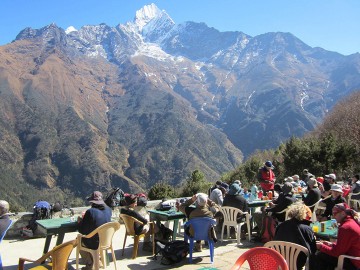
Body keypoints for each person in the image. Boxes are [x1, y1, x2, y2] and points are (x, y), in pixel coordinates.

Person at [310, 203, 360, 270]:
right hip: (354, 258)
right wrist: (331, 244)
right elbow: (345, 246)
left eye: (335, 214)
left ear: (343, 213)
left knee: (318, 256)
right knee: (324, 256)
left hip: (353, 262)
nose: (333, 217)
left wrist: (321, 246)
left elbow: (337, 252)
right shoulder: (352, 222)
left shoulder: (346, 227)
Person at [274, 202, 317, 270]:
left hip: (280, 260)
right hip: (298, 263)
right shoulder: (306, 228)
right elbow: (313, 250)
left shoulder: (280, 226)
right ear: (304, 214)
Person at [78, 191, 112, 270]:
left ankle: (90, 265)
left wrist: (80, 222)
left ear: (92, 202)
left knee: (79, 240)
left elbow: (82, 230)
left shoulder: (90, 212)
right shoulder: (109, 210)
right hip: (106, 240)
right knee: (91, 238)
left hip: (95, 243)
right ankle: (98, 261)